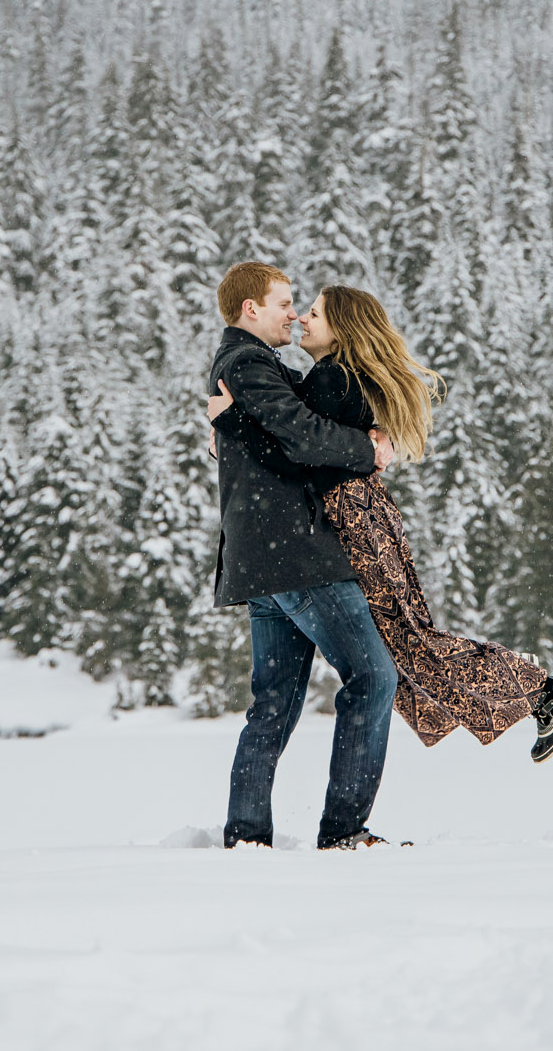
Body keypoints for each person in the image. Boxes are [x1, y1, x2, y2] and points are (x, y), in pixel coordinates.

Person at [210, 285, 553, 762]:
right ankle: (511, 673)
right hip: (366, 517)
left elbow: (299, 449)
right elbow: (293, 419)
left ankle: (537, 687)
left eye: (316, 314)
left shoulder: (332, 380)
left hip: (354, 522)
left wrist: (232, 423)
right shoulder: (341, 377)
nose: (303, 318)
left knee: (405, 642)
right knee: (400, 643)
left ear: (342, 330)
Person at [207, 262, 406, 851]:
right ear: (251, 309)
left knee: (273, 705)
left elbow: (274, 432)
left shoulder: (254, 368)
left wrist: (233, 423)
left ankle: (247, 837)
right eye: (284, 303)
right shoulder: (246, 362)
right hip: (295, 554)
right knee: (372, 677)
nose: (292, 314)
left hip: (264, 559)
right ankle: (343, 830)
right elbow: (301, 436)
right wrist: (367, 452)